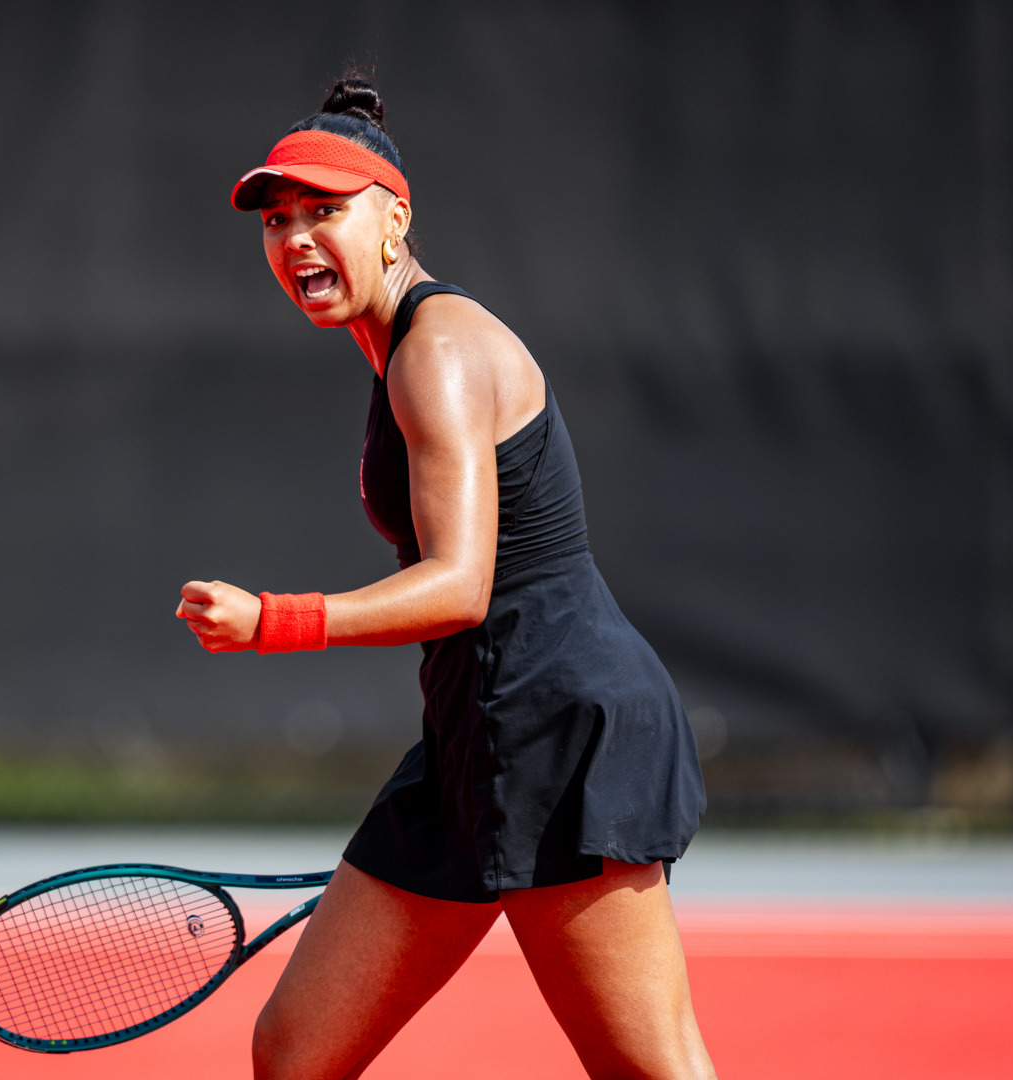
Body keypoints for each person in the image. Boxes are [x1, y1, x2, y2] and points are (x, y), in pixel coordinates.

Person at [176, 74, 714, 1080]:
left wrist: (276, 620)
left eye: (324, 211)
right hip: (475, 731)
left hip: (557, 730)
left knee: (651, 1071)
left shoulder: (439, 351)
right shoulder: (395, 358)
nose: (296, 239)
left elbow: (460, 586)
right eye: (278, 220)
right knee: (296, 1052)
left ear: (395, 219)